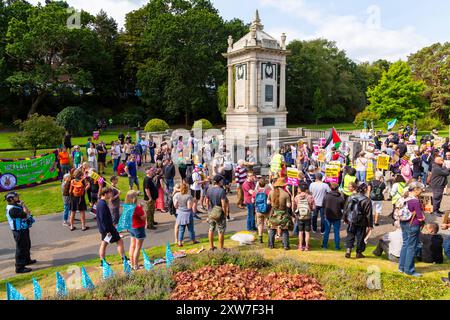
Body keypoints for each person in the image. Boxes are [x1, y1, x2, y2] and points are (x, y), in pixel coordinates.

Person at [398, 183, 426, 277]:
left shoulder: (403, 198)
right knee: (411, 247)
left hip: (403, 223)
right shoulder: (415, 201)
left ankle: (401, 267)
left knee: (405, 244)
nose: (421, 192)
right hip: (413, 224)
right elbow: (420, 217)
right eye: (421, 190)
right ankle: (409, 270)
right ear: (416, 189)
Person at [5, 192, 36, 274]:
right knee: (21, 249)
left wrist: (22, 205)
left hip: (23, 229)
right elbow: (26, 214)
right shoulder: (12, 210)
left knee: (27, 244)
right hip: (18, 231)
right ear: (11, 199)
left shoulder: (16, 206)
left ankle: (26, 260)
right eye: (16, 196)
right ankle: (19, 268)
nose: (18, 197)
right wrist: (23, 205)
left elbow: (27, 212)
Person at [96, 188, 127, 267]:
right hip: (108, 229)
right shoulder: (102, 204)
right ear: (105, 194)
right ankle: (124, 259)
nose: (111, 195)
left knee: (104, 244)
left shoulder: (100, 203)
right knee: (119, 241)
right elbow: (103, 219)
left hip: (105, 229)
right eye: (110, 193)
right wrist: (107, 231)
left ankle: (102, 262)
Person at [343, 183, 373, 259]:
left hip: (351, 220)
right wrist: (370, 225)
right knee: (360, 237)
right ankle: (358, 253)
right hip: (361, 221)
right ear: (365, 190)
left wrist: (345, 218)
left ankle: (348, 250)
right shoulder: (367, 200)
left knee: (350, 234)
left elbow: (346, 209)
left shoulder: (351, 197)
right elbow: (369, 214)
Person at [267, 178, 292, 250]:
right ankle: (286, 246)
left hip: (273, 213)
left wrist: (273, 203)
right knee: (284, 230)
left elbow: (268, 202)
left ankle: (271, 245)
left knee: (272, 229)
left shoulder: (271, 192)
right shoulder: (286, 194)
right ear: (283, 185)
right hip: (283, 213)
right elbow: (288, 205)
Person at [205, 175, 229, 251]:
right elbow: (223, 204)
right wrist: (225, 213)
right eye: (222, 180)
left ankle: (211, 246)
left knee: (211, 229)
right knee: (221, 230)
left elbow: (207, 201)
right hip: (219, 213)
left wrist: (208, 211)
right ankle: (221, 248)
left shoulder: (209, 189)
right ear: (219, 181)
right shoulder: (221, 191)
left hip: (211, 211)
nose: (223, 182)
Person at [125, 191, 147, 270]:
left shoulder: (127, 206)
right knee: (137, 247)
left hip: (131, 227)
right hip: (138, 228)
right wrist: (143, 209)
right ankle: (136, 265)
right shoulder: (136, 208)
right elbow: (143, 217)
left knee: (132, 246)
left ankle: (132, 263)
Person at [322, 183, 345, 250]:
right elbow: (343, 207)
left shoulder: (326, 196)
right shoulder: (340, 197)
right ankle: (337, 246)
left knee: (327, 231)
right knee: (336, 232)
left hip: (328, 215)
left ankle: (324, 245)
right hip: (337, 216)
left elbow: (323, 205)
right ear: (337, 189)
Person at [293, 184, 315, 251]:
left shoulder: (296, 197)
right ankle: (307, 247)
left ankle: (300, 246)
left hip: (300, 217)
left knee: (300, 232)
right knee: (307, 232)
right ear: (306, 190)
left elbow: (294, 207)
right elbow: (314, 207)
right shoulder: (310, 197)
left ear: (300, 189)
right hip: (308, 216)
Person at [254, 177, 272, 243]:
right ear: (265, 184)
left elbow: (253, 200)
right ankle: (270, 239)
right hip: (267, 210)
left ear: (258, 184)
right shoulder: (268, 191)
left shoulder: (256, 191)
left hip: (258, 210)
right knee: (268, 224)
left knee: (260, 224)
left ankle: (260, 238)